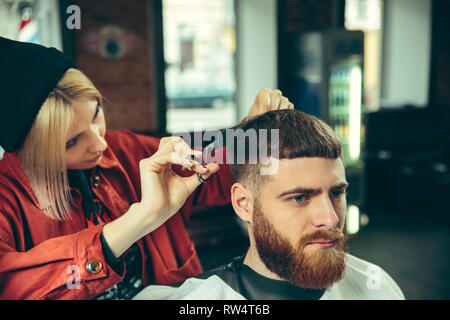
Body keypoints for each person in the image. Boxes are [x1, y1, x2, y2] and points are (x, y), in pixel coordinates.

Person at [0, 36, 293, 300]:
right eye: (72, 141)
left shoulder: (125, 148)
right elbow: (11, 287)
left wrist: (254, 131)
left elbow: (214, 168)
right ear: (32, 150)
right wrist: (143, 217)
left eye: (96, 113)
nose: (99, 143)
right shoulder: (6, 201)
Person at [133, 109, 405, 300]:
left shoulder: (376, 284)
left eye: (336, 193)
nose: (331, 218)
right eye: (299, 198)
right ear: (243, 204)